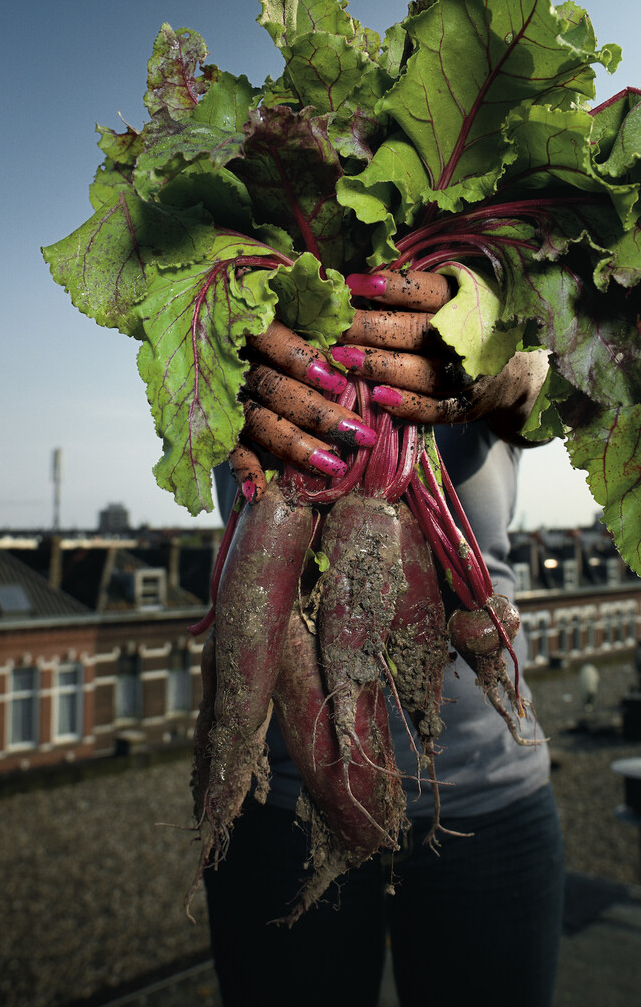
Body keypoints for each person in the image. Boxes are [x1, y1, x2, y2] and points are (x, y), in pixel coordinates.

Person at [204, 272, 564, 1007]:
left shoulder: (488, 272)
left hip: (487, 795)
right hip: (282, 807)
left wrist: (506, 352)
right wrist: (212, 376)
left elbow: (580, 383)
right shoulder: (243, 283)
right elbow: (180, 388)